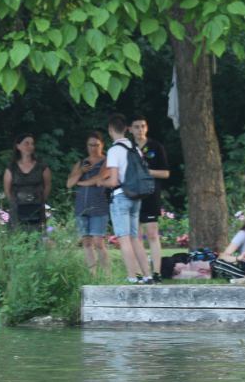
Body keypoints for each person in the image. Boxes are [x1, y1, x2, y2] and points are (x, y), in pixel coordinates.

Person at [103, 113, 155, 284]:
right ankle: (147, 276)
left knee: (124, 238)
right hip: (136, 197)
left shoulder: (114, 150)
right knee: (135, 238)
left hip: (120, 197)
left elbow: (113, 181)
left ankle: (133, 277)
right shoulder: (135, 149)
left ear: (110, 130)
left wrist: (100, 183)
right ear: (126, 129)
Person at [130, 116, 170, 281]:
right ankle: (141, 273)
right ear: (130, 129)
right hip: (132, 195)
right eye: (136, 127)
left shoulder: (156, 146)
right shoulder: (128, 148)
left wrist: (147, 172)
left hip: (151, 195)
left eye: (143, 126)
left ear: (146, 128)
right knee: (136, 236)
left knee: (152, 234)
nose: (140, 130)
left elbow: (165, 173)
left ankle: (157, 272)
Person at [66, 131, 111, 278]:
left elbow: (99, 178)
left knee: (98, 242)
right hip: (81, 207)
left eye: (96, 145)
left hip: (99, 206)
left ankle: (107, 275)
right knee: (86, 242)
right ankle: (93, 275)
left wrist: (81, 183)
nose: (93, 148)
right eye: (90, 145)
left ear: (102, 145)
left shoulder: (106, 161)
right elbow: (69, 184)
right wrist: (81, 171)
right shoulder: (81, 163)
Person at [3, 133, 51, 232]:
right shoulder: (11, 168)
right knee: (17, 235)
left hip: (37, 207)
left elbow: (47, 186)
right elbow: (7, 190)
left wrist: (41, 199)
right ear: (18, 146)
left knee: (37, 236)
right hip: (17, 209)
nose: (30, 146)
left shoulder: (41, 166)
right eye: (26, 143)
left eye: (32, 144)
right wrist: (14, 203)